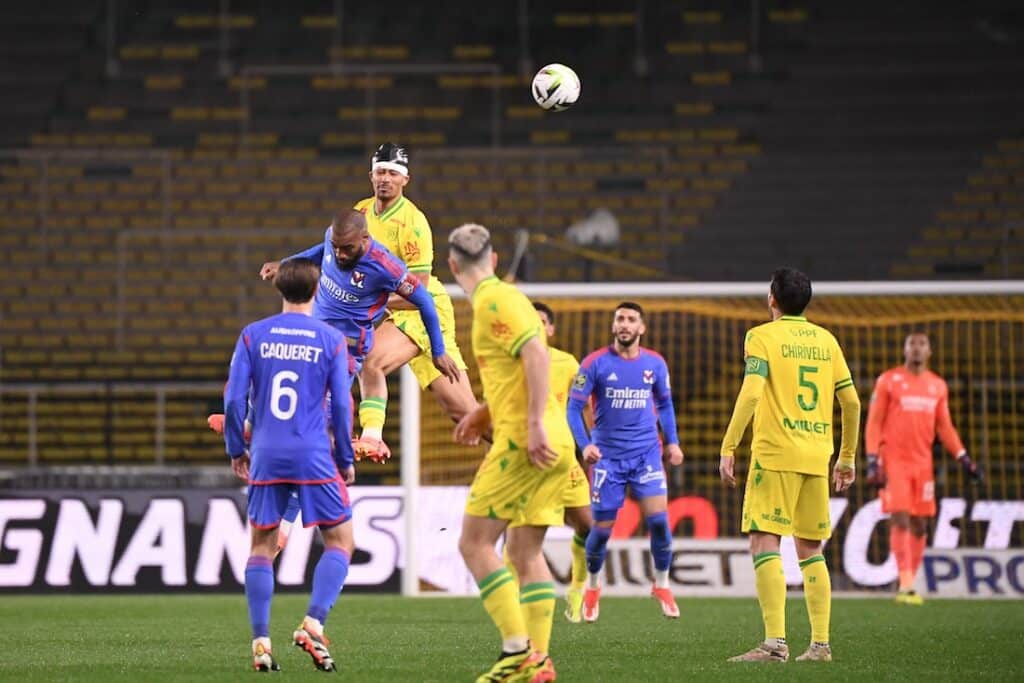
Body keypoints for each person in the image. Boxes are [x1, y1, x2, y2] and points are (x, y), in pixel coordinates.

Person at [719, 268, 860, 663]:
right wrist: (846, 457)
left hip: (776, 453)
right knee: (811, 550)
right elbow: (851, 403)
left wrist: (729, 445)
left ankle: (774, 643)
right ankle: (820, 645)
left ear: (771, 298)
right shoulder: (826, 341)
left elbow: (750, 393)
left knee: (764, 541)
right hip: (818, 456)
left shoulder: (761, 337)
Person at [449, 223, 570, 682]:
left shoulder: (495, 300)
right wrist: (483, 410)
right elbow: (515, 367)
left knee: (474, 543)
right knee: (523, 550)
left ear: (453, 265)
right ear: (494, 259)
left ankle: (520, 654)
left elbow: (537, 355)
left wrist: (533, 422)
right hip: (550, 440)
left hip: (526, 440)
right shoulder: (502, 298)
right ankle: (538, 660)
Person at [223, 258, 355, 672]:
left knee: (262, 548)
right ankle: (313, 623)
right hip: (313, 453)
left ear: (279, 289)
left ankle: (261, 641)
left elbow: (232, 400)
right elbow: (341, 404)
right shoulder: (331, 338)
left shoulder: (252, 335)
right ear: (317, 291)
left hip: (265, 452)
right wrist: (345, 458)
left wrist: (235, 449)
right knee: (340, 542)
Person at [454, 301, 593, 623]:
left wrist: (590, 446)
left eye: (544, 321)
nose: (539, 326)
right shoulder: (514, 358)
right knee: (520, 539)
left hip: (559, 454)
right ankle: (518, 613)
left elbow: (583, 409)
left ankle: (578, 586)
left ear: (552, 328)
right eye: (534, 320)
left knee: (588, 526)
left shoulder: (568, 364)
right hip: (527, 452)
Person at [566, 302, 685, 623]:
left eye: (632, 319)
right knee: (601, 531)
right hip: (607, 459)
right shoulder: (595, 363)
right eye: (620, 318)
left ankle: (661, 585)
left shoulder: (655, 364)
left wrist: (672, 442)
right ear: (613, 326)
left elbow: (665, 404)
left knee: (659, 522)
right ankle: (592, 587)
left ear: (641, 328)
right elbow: (572, 409)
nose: (625, 324)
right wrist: (585, 444)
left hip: (646, 453)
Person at [864, 331, 982, 605]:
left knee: (919, 522)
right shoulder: (889, 381)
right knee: (901, 516)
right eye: (912, 344)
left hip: (922, 463)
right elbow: (874, 423)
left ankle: (910, 582)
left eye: (921, 344)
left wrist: (964, 458)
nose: (916, 349)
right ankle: (905, 584)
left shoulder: (937, 386)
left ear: (929, 351)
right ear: (905, 350)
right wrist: (872, 459)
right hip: (893, 460)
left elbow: (945, 427)